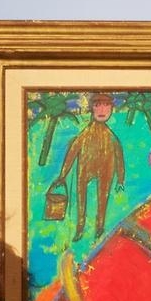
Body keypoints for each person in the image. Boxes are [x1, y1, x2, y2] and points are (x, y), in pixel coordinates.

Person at [54, 92, 125, 241]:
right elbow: (72, 152)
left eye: (106, 106)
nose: (102, 110)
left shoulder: (112, 137)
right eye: (98, 105)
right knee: (81, 197)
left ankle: (100, 228)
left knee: (103, 199)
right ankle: (80, 228)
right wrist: (63, 175)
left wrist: (120, 179)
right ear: (92, 108)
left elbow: (119, 158)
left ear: (111, 109)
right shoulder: (85, 135)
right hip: (85, 168)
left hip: (106, 168)